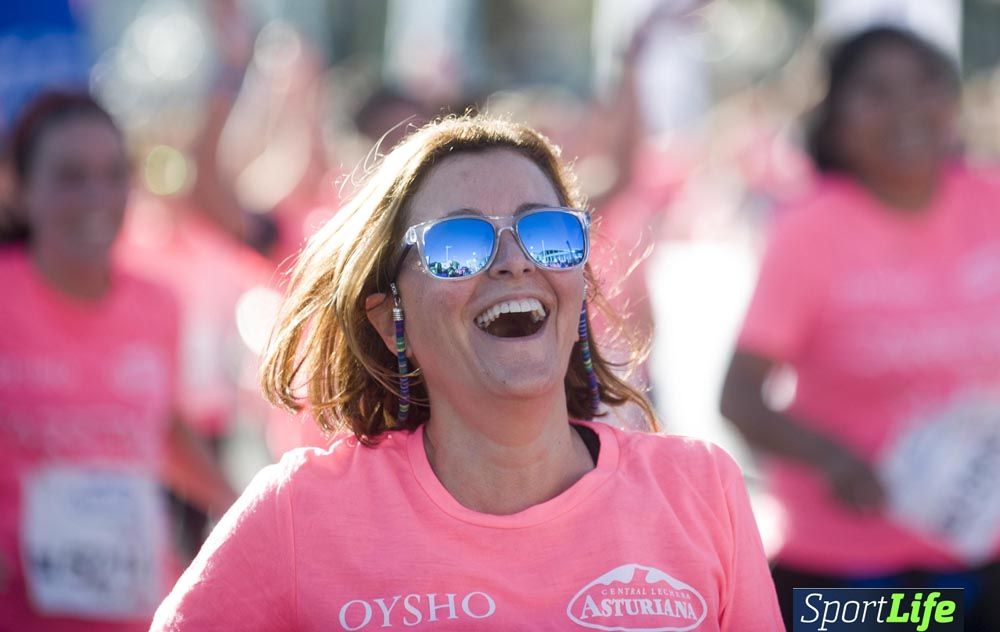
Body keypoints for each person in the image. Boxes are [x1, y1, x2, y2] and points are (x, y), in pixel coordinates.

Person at [151, 115, 782, 630]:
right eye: (457, 244)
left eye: (548, 233)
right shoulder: (297, 513)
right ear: (384, 315)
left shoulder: (703, 490)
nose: (514, 262)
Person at [720, 26, 1000, 631]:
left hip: (981, 554)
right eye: (876, 90)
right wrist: (833, 459)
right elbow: (738, 398)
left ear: (952, 101)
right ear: (836, 118)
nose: (906, 108)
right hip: (847, 577)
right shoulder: (810, 230)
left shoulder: (991, 202)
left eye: (924, 84)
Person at [0, 91, 236, 631]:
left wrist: (245, 504)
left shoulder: (159, 303)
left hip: (137, 613)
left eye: (113, 175)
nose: (97, 196)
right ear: (18, 188)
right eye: (70, 176)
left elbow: (162, 431)